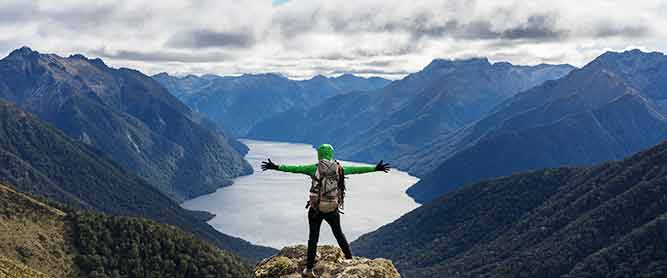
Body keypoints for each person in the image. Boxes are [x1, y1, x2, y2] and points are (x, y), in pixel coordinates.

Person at [261, 144, 390, 278]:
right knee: (339, 234)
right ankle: (350, 260)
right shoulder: (339, 169)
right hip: (332, 209)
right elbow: (357, 169)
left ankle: (309, 270)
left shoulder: (314, 168)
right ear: (331, 154)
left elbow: (294, 169)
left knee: (313, 238)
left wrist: (275, 167)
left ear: (320, 154)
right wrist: (376, 168)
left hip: (316, 209)